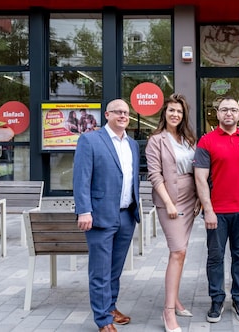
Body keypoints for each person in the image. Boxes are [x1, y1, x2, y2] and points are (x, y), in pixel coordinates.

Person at [193, 96, 239, 324]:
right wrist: (208, 210)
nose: (229, 113)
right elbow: (200, 179)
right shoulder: (206, 141)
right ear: (217, 113)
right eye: (224, 110)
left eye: (233, 110)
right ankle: (217, 299)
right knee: (215, 257)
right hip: (217, 212)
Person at [73, 99, 141, 332]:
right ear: (107, 114)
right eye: (118, 112)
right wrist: (84, 210)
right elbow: (81, 178)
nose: (123, 116)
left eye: (126, 113)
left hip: (126, 215)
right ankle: (103, 319)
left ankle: (110, 307)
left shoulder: (132, 144)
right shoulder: (90, 140)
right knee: (100, 270)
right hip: (100, 216)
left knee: (115, 269)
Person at [145, 93, 199, 332]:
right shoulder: (156, 139)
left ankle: (175, 299)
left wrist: (199, 198)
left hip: (190, 199)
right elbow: (155, 175)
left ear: (183, 114)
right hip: (171, 200)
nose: (175, 114)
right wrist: (168, 203)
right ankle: (168, 312)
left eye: (179, 111)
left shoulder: (188, 138)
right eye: (171, 111)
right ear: (164, 113)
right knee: (177, 251)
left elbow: (196, 169)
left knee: (182, 252)